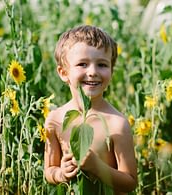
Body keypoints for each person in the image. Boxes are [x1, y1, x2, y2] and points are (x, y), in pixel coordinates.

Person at [44, 25, 137, 194]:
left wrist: (97, 167)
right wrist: (61, 173)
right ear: (63, 72)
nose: (93, 72)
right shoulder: (55, 120)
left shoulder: (117, 124)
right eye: (82, 64)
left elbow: (130, 182)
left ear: (111, 70)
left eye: (102, 64)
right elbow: (49, 170)